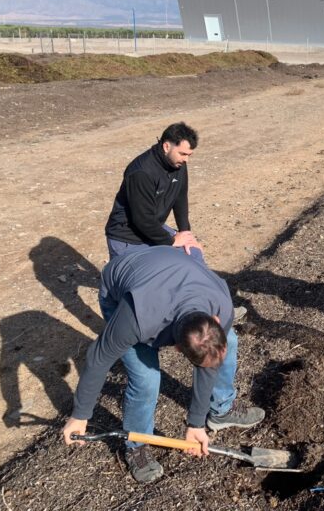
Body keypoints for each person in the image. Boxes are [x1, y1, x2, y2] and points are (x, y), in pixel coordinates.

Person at [62, 246, 264, 483]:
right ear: (176, 348)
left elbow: (209, 364)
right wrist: (80, 414)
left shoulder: (222, 305)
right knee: (146, 379)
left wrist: (196, 424)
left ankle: (221, 410)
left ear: (216, 320)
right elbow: (98, 357)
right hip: (123, 284)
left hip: (165, 265)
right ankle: (137, 446)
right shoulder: (136, 319)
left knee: (229, 340)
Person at [104, 122, 201, 259]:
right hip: (127, 238)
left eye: (189, 155)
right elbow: (142, 219)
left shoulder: (178, 164)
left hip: (153, 228)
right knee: (139, 279)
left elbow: (180, 198)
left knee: (194, 254)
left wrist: (186, 234)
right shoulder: (142, 172)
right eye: (183, 154)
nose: (186, 160)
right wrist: (171, 241)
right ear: (166, 146)